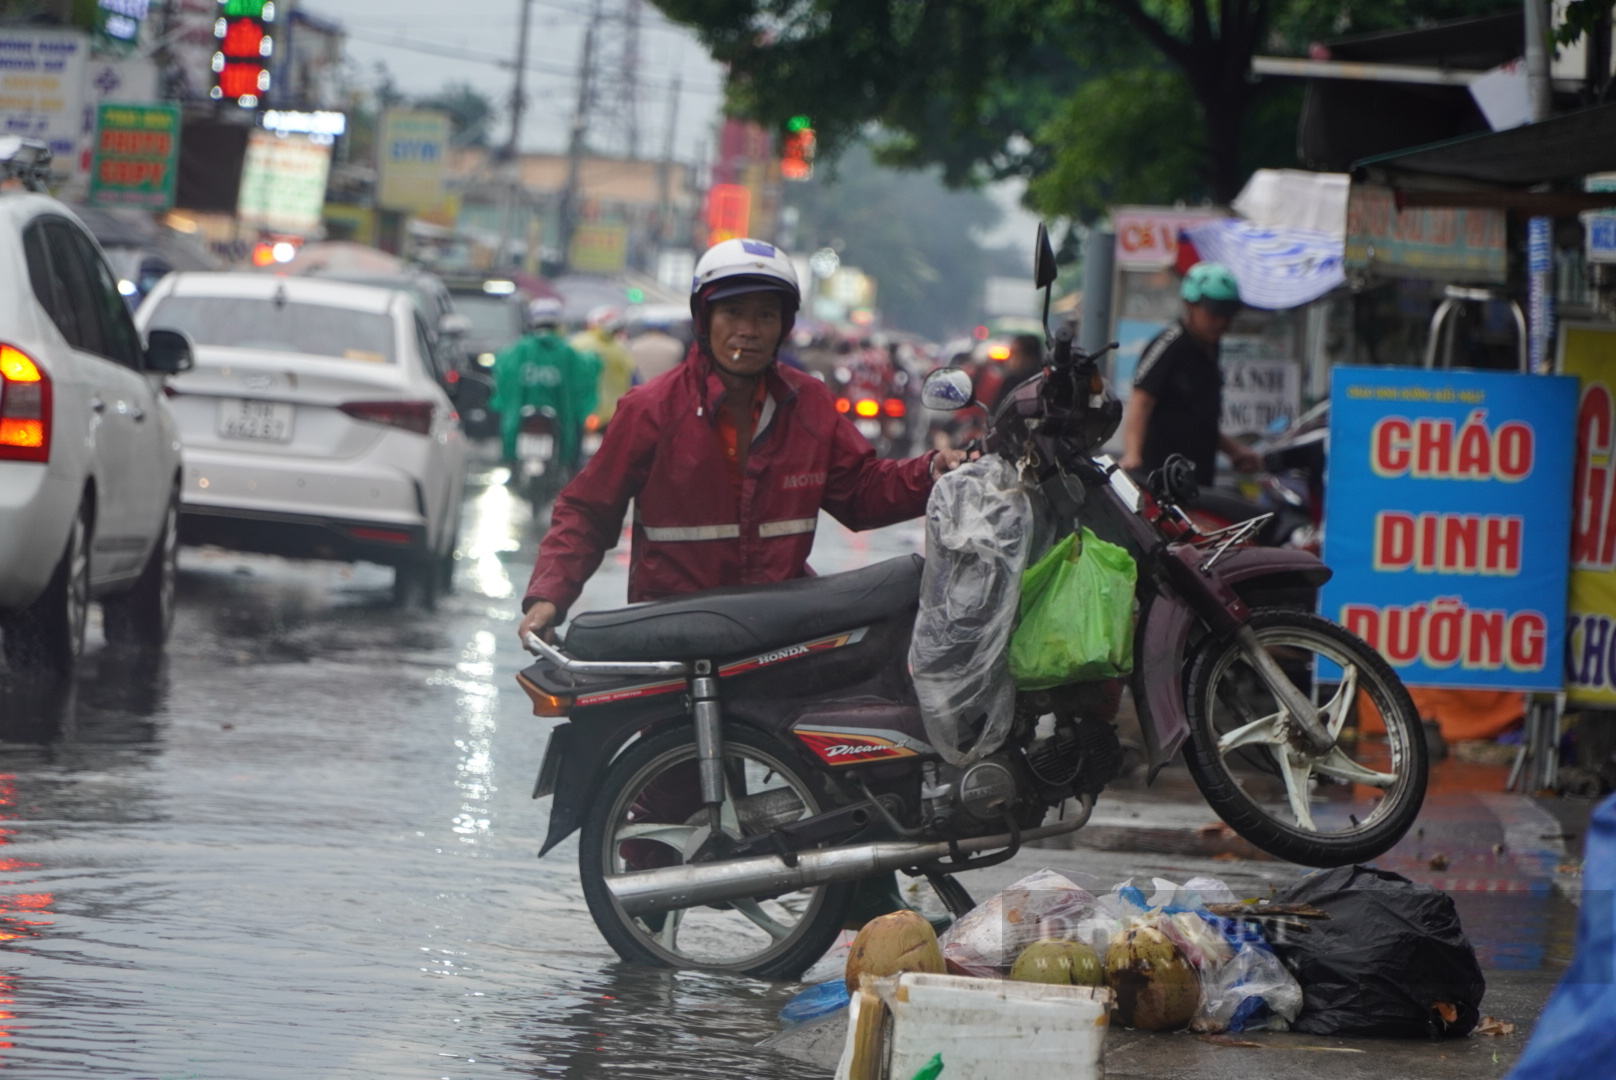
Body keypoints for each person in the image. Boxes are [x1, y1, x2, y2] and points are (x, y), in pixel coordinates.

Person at [517, 237, 966, 645]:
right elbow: (588, 510)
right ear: (704, 319)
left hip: (777, 632)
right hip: (676, 629)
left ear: (782, 327)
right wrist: (549, 596)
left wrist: (931, 472)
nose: (748, 330)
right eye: (733, 313)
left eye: (765, 315)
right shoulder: (651, 408)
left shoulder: (807, 402)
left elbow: (861, 493)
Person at [1119, 262, 1262, 486]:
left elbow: (1198, 420)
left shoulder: (1211, 348)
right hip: (1162, 479)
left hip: (1198, 479)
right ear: (1190, 305)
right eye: (1214, 313)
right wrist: (1132, 455)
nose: (1221, 322)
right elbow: (1140, 400)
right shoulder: (1169, 345)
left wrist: (1234, 451)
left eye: (1227, 315)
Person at [489, 298, 598, 470]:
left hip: (523, 416)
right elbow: (586, 376)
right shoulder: (568, 351)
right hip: (558, 418)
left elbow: (501, 373)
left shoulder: (517, 349)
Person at [570, 306, 638, 428]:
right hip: (614, 413)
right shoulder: (620, 347)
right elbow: (634, 379)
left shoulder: (576, 343)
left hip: (583, 410)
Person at [991, 333, 1044, 411]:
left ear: (1030, 357)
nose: (1010, 359)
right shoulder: (1043, 379)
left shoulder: (1012, 383)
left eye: (1015, 353)